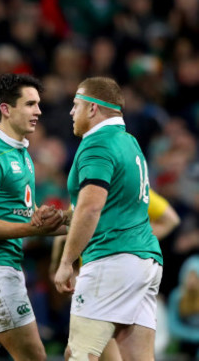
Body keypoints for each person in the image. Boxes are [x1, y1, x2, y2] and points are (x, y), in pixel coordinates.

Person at [54, 77, 163, 361]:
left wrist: (66, 262)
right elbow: (113, 205)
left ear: (92, 108)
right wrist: (62, 217)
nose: (71, 112)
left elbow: (91, 209)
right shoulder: (130, 142)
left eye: (75, 105)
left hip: (111, 258)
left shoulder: (97, 144)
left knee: (79, 354)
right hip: (144, 261)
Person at [0, 73, 66, 361]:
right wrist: (32, 228)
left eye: (39, 104)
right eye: (30, 104)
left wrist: (78, 222)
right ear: (6, 109)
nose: (38, 111)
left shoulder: (22, 154)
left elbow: (27, 221)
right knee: (35, 357)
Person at [49, 188, 180, 360]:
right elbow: (73, 229)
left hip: (107, 274)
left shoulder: (117, 182)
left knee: (78, 352)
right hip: (114, 270)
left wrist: (130, 243)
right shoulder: (92, 184)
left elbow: (169, 219)